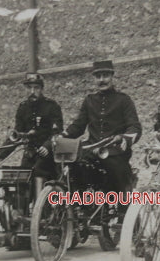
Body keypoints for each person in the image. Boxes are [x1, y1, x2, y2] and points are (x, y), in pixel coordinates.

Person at [61, 60, 142, 196]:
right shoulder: (89, 100)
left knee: (119, 175)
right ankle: (76, 207)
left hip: (114, 151)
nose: (102, 80)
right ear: (94, 79)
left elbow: (134, 127)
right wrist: (63, 135)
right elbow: (79, 125)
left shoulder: (123, 100)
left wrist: (123, 138)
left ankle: (123, 211)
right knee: (71, 168)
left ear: (112, 76)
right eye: (98, 76)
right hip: (91, 149)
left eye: (105, 76)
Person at [0, 72, 63, 200]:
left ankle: (42, 214)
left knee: (38, 173)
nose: (32, 91)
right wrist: (0, 153)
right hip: (29, 153)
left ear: (41, 89)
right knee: (20, 177)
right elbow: (17, 134)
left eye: (36, 88)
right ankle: (20, 214)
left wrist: (47, 146)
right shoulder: (23, 108)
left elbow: (57, 132)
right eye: (29, 88)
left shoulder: (51, 107)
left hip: (46, 155)